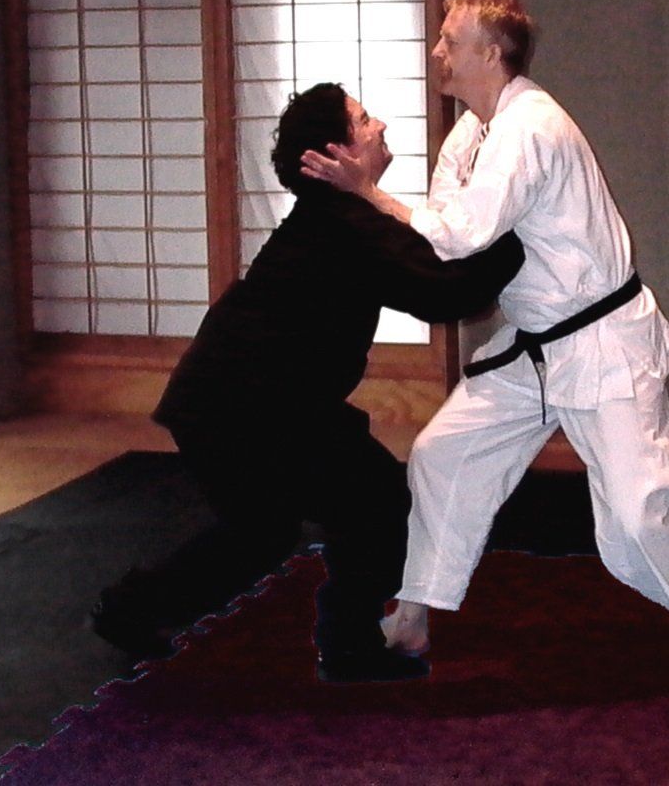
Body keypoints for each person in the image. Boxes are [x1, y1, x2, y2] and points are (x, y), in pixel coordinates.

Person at [301, 0, 669, 671]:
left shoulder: (530, 129)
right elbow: (447, 235)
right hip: (532, 345)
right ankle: (416, 613)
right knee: (441, 455)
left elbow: (459, 234)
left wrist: (366, 193)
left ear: (491, 52)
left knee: (635, 517)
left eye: (450, 40)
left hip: (603, 344)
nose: (437, 51)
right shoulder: (471, 133)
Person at [91, 82, 524, 683]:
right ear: (337, 153)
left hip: (236, 402)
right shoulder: (344, 221)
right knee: (375, 504)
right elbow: (448, 293)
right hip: (246, 406)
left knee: (261, 533)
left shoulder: (345, 214)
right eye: (364, 120)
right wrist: (522, 228)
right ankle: (348, 646)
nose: (380, 126)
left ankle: (129, 609)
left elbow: (435, 264)